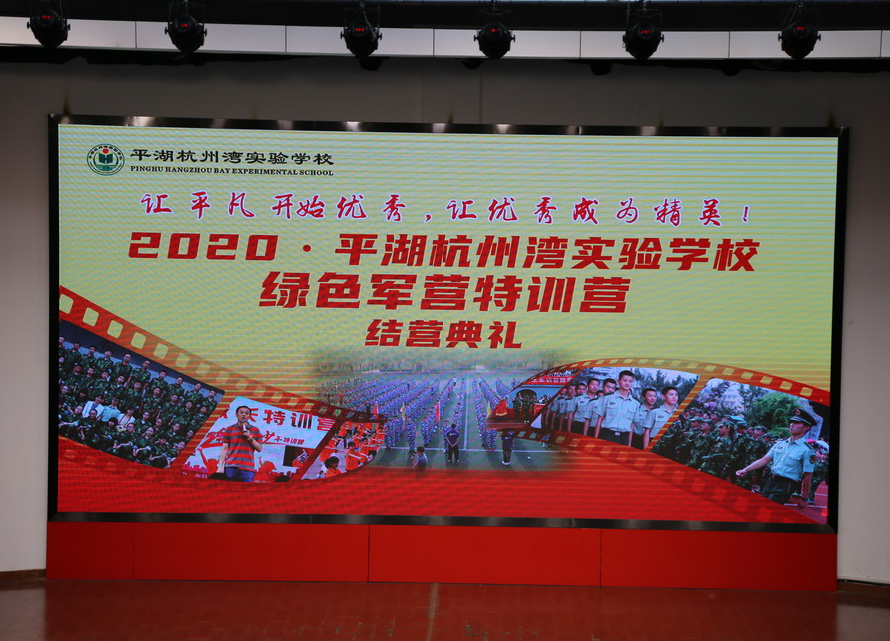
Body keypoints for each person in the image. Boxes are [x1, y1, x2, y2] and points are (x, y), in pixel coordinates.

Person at [736, 408, 816, 507]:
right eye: (791, 422)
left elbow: (808, 475)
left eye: (796, 423)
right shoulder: (780, 444)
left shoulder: (807, 450)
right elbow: (764, 460)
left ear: (806, 427)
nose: (792, 424)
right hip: (770, 480)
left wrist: (804, 497)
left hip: (785, 484)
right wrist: (745, 470)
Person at [217, 405, 263, 482]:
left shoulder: (255, 430)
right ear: (236, 415)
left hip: (248, 468)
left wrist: (249, 437)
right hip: (231, 466)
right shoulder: (229, 429)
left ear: (249, 416)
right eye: (241, 412)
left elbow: (260, 448)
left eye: (247, 413)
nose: (244, 414)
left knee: (244, 489)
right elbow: (224, 448)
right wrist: (220, 466)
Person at [593, 371, 640, 446]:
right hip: (607, 435)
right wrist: (596, 439)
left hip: (624, 438)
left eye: (630, 381)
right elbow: (600, 419)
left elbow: (631, 425)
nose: (627, 383)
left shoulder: (635, 404)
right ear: (618, 381)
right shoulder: (607, 398)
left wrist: (629, 445)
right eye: (625, 380)